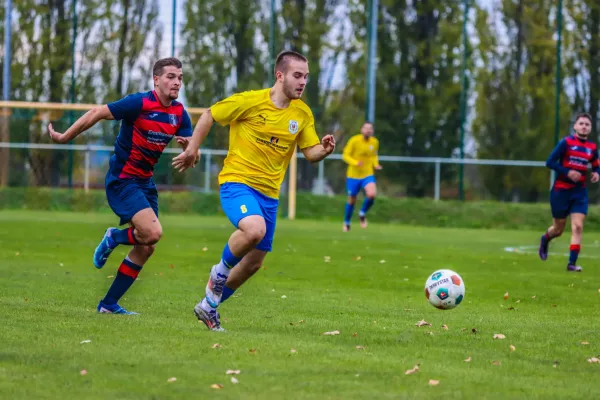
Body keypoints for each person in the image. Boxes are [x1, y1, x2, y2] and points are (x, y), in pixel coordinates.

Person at [172, 50, 336, 331]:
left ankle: (209, 307)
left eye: (306, 77)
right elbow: (211, 114)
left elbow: (310, 152)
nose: (303, 82)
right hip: (238, 183)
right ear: (280, 75)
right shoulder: (249, 101)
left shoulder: (302, 113)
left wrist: (325, 149)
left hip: (269, 196)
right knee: (254, 229)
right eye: (297, 75)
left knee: (252, 265)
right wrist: (193, 147)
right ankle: (218, 274)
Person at [48, 57, 195, 313]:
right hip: (123, 179)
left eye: (180, 77)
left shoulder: (179, 113)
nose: (177, 82)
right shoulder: (138, 102)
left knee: (146, 247)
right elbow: (97, 113)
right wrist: (64, 137)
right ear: (156, 80)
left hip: (145, 182)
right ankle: (113, 237)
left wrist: (191, 152)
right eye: (171, 76)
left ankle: (108, 304)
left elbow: (193, 147)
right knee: (153, 233)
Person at [539, 112, 600, 272]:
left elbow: (596, 164)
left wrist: (596, 172)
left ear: (590, 128)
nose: (584, 126)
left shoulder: (592, 148)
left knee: (577, 226)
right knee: (558, 229)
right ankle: (545, 239)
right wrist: (567, 172)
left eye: (587, 124)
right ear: (575, 126)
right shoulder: (566, 143)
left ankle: (571, 264)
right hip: (561, 191)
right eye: (581, 123)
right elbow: (550, 162)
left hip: (579, 193)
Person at [341, 121, 382, 231]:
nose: (368, 130)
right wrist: (355, 162)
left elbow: (373, 155)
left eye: (370, 128)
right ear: (361, 129)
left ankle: (362, 213)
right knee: (351, 200)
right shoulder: (354, 140)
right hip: (353, 175)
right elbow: (345, 155)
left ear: (372, 131)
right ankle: (346, 222)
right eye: (366, 128)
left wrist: (376, 164)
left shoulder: (374, 142)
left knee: (372, 194)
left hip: (367, 174)